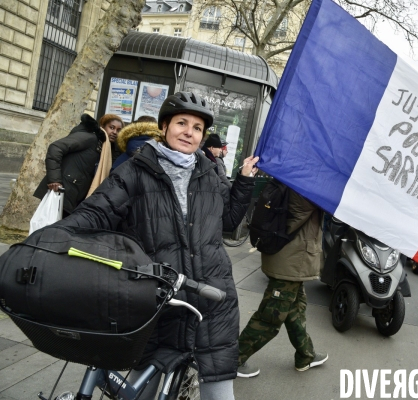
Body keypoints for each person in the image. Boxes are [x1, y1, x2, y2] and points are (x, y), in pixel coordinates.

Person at [54, 91, 259, 399]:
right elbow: (95, 212)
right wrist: (52, 242)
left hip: (211, 299)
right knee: (141, 391)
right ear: (164, 127)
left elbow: (228, 222)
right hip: (156, 299)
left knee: (219, 391)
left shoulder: (210, 174)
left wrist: (243, 182)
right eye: (181, 123)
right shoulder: (135, 171)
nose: (189, 132)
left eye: (197, 128)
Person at [237, 188, 328, 377]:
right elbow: (297, 214)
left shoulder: (293, 180)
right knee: (271, 316)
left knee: (295, 308)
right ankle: (233, 360)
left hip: (291, 259)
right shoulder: (303, 186)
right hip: (291, 260)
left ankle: (305, 355)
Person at [33, 114, 107, 217]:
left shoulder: (104, 148)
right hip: (62, 192)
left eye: (118, 130)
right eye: (111, 128)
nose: (114, 132)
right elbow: (56, 148)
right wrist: (55, 180)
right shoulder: (91, 138)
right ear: (102, 127)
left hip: (72, 195)